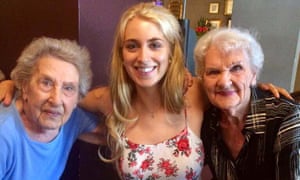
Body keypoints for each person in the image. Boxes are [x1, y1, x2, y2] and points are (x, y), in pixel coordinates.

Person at [0, 3, 292, 180]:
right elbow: (60, 100)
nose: (143, 57)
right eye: (132, 46)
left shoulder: (197, 92)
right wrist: (15, 84)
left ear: (170, 51)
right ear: (122, 54)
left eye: (155, 44)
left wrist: (261, 93)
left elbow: (233, 92)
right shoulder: (107, 99)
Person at [195, 27, 300, 180]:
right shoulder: (207, 117)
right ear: (203, 79)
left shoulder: (285, 116)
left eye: (236, 68)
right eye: (213, 72)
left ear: (254, 75)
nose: (224, 82)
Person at [0, 37, 104, 180]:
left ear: (77, 100)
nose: (56, 100)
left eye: (68, 88)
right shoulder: (4, 134)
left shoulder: (71, 118)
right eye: (46, 83)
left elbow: (121, 135)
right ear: (24, 86)